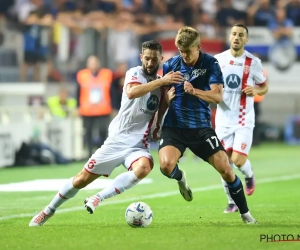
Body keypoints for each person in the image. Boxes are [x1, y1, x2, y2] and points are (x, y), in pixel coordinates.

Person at [29, 40, 184, 226]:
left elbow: (156, 125)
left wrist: (165, 103)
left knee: (143, 168)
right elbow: (133, 92)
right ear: (141, 57)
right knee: (81, 180)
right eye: (147, 58)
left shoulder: (162, 86)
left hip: (137, 145)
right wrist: (162, 81)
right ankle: (48, 211)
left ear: (161, 58)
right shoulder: (134, 73)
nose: (150, 63)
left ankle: (98, 198)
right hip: (117, 140)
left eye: (154, 59)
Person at [153, 26, 257, 224]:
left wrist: (195, 92)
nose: (184, 56)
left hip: (200, 127)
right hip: (174, 126)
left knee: (226, 169)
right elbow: (163, 98)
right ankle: (181, 178)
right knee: (166, 166)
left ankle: (245, 214)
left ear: (198, 47)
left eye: (188, 52)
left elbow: (217, 96)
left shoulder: (211, 63)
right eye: (180, 51)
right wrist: (159, 118)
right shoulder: (171, 65)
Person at [214, 24, 268, 213]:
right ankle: (232, 201)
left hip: (244, 119)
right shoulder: (217, 60)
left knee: (237, 160)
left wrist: (256, 90)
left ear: (246, 40)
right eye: (234, 34)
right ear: (229, 37)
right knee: (223, 163)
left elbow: (264, 87)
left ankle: (249, 174)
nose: (237, 37)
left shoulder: (253, 62)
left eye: (241, 35)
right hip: (222, 120)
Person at [76, 55, 113, 156]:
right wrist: (77, 106)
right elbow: (78, 92)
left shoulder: (107, 74)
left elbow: (112, 91)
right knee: (88, 132)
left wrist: (114, 107)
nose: (93, 65)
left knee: (103, 131)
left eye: (95, 62)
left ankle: (101, 152)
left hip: (103, 110)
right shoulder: (82, 75)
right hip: (87, 110)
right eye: (91, 63)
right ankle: (89, 153)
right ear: (87, 64)